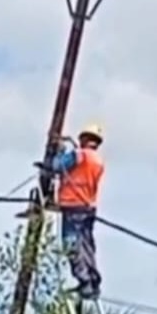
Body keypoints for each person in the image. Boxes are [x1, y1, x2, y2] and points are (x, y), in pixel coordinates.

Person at [46, 123, 106, 299]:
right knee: (87, 245)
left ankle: (84, 280)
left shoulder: (79, 155)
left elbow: (57, 166)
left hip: (73, 205)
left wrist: (59, 151)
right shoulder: (98, 161)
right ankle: (92, 280)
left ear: (85, 139)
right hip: (88, 207)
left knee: (72, 244)